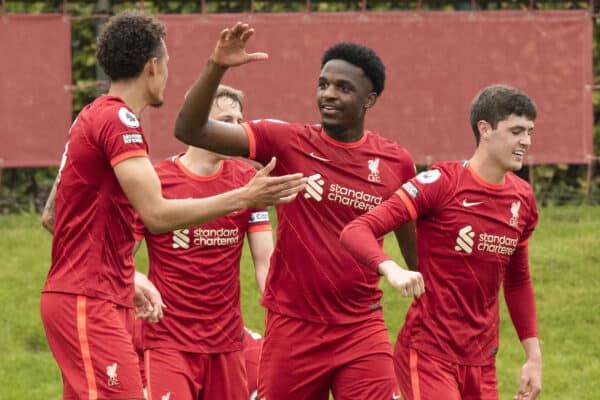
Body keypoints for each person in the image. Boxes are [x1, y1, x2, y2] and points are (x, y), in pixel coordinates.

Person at [39, 11, 305, 400]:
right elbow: (158, 215)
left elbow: (52, 215)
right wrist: (245, 197)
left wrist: (126, 276)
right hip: (89, 300)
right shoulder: (119, 120)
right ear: (153, 66)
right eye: (168, 64)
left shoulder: (95, 114)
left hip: (102, 297)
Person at [173, 22, 422, 399]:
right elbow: (190, 130)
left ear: (369, 100)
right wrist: (216, 66)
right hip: (293, 328)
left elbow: (416, 252)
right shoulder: (287, 142)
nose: (329, 95)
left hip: (361, 326)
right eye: (323, 84)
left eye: (343, 87)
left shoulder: (396, 162)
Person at [340, 84, 542, 400]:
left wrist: (533, 356)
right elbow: (356, 230)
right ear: (485, 129)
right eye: (517, 131)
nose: (526, 141)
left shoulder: (523, 198)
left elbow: (517, 281)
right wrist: (391, 269)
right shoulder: (441, 183)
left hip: (482, 362)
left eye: (529, 131)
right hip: (428, 354)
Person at [133, 84, 273, 400]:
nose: (236, 130)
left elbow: (265, 263)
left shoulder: (249, 182)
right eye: (226, 119)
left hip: (227, 342)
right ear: (200, 123)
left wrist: (282, 317)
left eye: (240, 121)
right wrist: (133, 275)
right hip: (169, 341)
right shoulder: (158, 180)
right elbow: (120, 257)